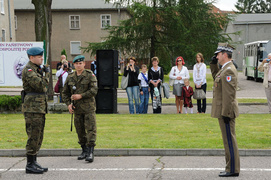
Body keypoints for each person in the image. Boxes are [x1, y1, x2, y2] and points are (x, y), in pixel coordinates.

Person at [210, 43, 240, 177]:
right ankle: (230, 167)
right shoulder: (224, 69)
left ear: (225, 55)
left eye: (218, 54)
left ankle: (232, 169)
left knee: (229, 140)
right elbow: (217, 78)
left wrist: (226, 113)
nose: (216, 56)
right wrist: (213, 65)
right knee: (227, 140)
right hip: (223, 110)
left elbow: (229, 95)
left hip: (225, 111)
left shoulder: (229, 70)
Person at [62, 55, 98, 163]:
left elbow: (94, 90)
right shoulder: (70, 76)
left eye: (80, 63)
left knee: (90, 129)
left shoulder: (89, 75)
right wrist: (68, 104)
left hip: (88, 107)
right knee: (80, 130)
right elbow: (65, 92)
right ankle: (84, 150)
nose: (79, 65)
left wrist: (81, 96)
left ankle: (90, 152)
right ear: (74, 65)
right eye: (77, 64)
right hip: (76, 108)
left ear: (84, 64)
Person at [21, 47, 50, 174]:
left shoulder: (36, 69)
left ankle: (34, 161)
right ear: (31, 58)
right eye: (39, 57)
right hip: (33, 108)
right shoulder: (29, 70)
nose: (41, 59)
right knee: (33, 135)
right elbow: (40, 84)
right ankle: (29, 164)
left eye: (41, 57)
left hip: (38, 108)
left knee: (38, 135)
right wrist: (47, 74)